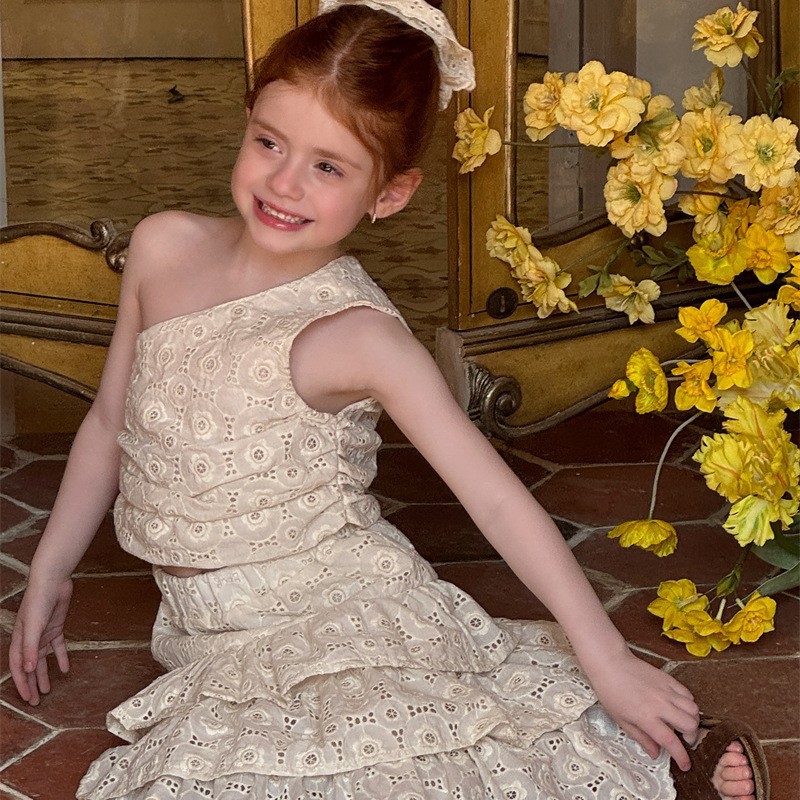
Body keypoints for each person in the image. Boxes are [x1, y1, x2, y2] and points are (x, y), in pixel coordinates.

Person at [9, 1, 766, 798]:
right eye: (269, 142)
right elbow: (109, 422)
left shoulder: (361, 334)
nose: (284, 183)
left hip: (341, 611)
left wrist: (608, 658)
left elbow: (497, 501)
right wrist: (49, 570)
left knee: (397, 761)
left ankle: (655, 758)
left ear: (391, 194)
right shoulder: (163, 246)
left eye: (329, 167)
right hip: (208, 633)